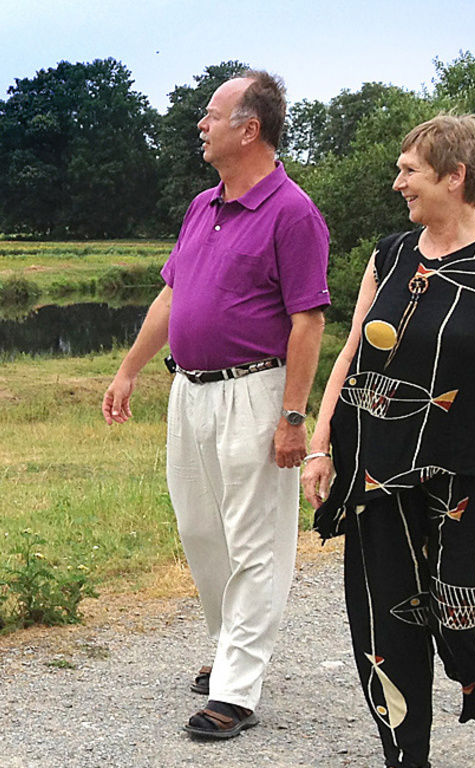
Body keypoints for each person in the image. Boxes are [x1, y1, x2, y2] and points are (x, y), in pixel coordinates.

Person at [302, 113, 475, 768]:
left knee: (464, 619)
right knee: (385, 632)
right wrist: (322, 441)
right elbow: (353, 351)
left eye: (408, 171)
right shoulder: (390, 255)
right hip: (379, 470)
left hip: (472, 476)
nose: (397, 184)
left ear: (454, 176)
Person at [102, 69, 330, 740]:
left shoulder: (293, 213)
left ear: (249, 129)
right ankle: (232, 647)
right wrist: (128, 370)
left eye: (212, 115)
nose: (200, 125)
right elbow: (171, 297)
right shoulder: (204, 206)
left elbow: (308, 321)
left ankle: (236, 688)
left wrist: (293, 415)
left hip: (255, 392)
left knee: (257, 541)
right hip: (190, 392)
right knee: (202, 533)